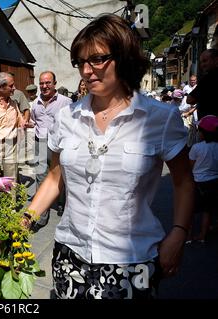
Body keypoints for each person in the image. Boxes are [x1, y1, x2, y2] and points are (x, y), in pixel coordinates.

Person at [23, 14, 194, 299]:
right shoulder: (67, 117)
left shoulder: (159, 119)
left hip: (131, 260)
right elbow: (55, 178)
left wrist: (178, 232)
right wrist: (23, 221)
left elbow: (184, 181)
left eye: (97, 60)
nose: (87, 71)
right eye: (80, 63)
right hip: (70, 252)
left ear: (124, 57)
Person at [30, 71, 72, 231]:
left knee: (61, 176)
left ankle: (61, 203)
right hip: (40, 142)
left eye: (48, 82)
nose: (44, 86)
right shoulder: (35, 103)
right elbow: (35, 120)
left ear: (54, 83)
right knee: (40, 176)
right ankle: (40, 217)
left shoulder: (66, 102)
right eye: (41, 83)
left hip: (60, 145)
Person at [188, 115, 218, 243]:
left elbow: (191, 166)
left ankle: (188, 236)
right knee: (207, 210)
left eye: (199, 130)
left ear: (203, 133)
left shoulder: (196, 148)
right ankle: (202, 235)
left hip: (198, 182)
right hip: (214, 182)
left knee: (190, 210)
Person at [187, 49, 218, 119]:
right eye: (201, 62)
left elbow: (190, 100)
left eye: (205, 61)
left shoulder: (209, 78)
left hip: (211, 124)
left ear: (216, 60)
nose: (202, 65)